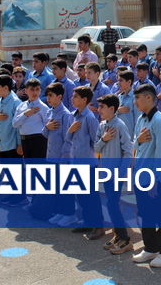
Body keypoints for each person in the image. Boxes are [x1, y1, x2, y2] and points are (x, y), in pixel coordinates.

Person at [131, 84, 161, 267]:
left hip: (153, 178)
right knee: (145, 213)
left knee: (159, 213)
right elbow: (135, 145)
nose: (135, 102)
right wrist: (138, 141)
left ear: (148, 98)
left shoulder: (159, 121)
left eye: (138, 98)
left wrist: (156, 181)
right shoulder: (141, 119)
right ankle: (150, 247)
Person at [94, 93, 133, 254]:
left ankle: (125, 239)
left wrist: (121, 172)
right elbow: (96, 148)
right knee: (111, 204)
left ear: (112, 108)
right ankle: (118, 235)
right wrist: (104, 139)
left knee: (112, 205)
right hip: (106, 173)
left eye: (102, 107)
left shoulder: (120, 125)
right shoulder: (102, 125)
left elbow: (128, 151)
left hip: (116, 174)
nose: (99, 109)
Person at [66, 86, 104, 240]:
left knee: (91, 197)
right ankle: (87, 222)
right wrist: (71, 130)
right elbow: (68, 139)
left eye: (75, 97)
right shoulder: (72, 116)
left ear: (84, 100)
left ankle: (98, 226)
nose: (72, 98)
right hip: (75, 160)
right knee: (81, 196)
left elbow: (96, 142)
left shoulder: (89, 118)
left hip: (88, 163)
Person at [42, 82, 76, 227]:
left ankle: (70, 214)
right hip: (51, 156)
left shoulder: (65, 115)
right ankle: (59, 212)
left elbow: (68, 140)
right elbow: (45, 134)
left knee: (65, 188)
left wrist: (64, 159)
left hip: (62, 159)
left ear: (60, 97)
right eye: (47, 95)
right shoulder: (50, 112)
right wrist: (46, 127)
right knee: (55, 188)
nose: (48, 99)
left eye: (51, 96)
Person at [0, 74, 24, 204]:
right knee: (7, 170)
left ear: (5, 87)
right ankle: (12, 194)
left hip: (12, 143)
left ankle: (20, 197)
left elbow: (19, 126)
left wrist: (19, 144)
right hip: (2, 142)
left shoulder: (16, 103)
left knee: (15, 171)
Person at [12, 78, 48, 159]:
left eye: (37, 89)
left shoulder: (43, 107)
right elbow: (14, 124)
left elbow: (47, 125)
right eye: (32, 89)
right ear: (25, 91)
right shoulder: (21, 106)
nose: (35, 92)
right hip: (25, 140)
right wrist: (25, 114)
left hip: (38, 140)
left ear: (40, 91)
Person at [116, 71, 138, 140]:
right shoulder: (119, 96)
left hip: (130, 136)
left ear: (129, 82)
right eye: (118, 80)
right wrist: (118, 110)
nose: (118, 83)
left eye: (121, 80)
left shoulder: (135, 97)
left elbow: (138, 119)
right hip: (119, 134)